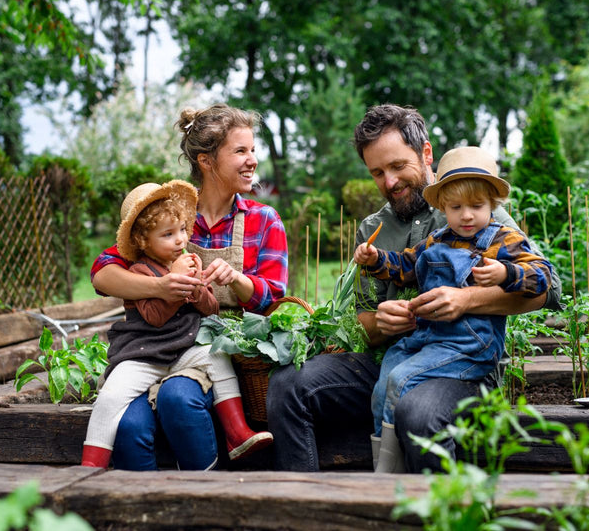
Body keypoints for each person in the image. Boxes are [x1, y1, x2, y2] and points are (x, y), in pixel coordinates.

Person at [266, 104, 561, 473]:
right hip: (396, 357)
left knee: (416, 410)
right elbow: (364, 323)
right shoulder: (374, 229)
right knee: (288, 385)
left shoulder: (472, 207)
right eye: (377, 172)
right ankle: (303, 510)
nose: (389, 182)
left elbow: (548, 290)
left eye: (397, 166)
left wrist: (466, 299)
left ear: (425, 154)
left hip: (460, 365)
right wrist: (382, 323)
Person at [89, 104, 288, 471]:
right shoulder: (170, 218)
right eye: (240, 151)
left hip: (217, 352)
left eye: (253, 150)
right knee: (129, 427)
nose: (252, 161)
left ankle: (201, 499)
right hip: (150, 346)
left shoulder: (264, 220)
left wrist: (238, 280)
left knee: (177, 400)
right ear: (207, 161)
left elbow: (274, 298)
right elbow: (102, 272)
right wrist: (163, 287)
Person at [353, 146, 554, 472]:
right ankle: (386, 461)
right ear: (443, 206)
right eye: (456, 207)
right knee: (383, 384)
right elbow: (405, 265)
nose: (467, 215)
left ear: (493, 204)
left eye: (477, 206)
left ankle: (386, 475)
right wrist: (376, 259)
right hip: (429, 339)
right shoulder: (437, 241)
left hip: (470, 346)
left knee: (400, 380)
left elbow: (543, 276)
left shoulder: (502, 241)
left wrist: (506, 273)